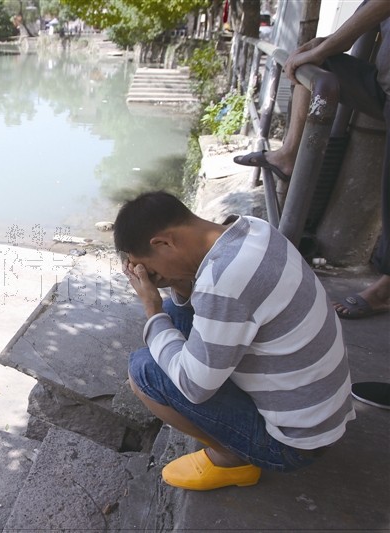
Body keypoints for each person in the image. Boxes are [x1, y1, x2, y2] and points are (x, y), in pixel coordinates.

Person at [115, 191, 355, 490]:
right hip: (319, 413)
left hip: (293, 444)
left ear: (164, 242)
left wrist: (152, 308)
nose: (150, 276)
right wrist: (176, 283)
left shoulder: (224, 282)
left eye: (148, 266)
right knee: (176, 312)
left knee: (143, 370)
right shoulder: (253, 229)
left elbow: (194, 386)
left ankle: (232, 457)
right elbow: (210, 305)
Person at [234, 0, 390, 320]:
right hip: (383, 87)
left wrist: (335, 43)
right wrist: (324, 45)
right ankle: (289, 152)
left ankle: (386, 286)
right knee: (307, 62)